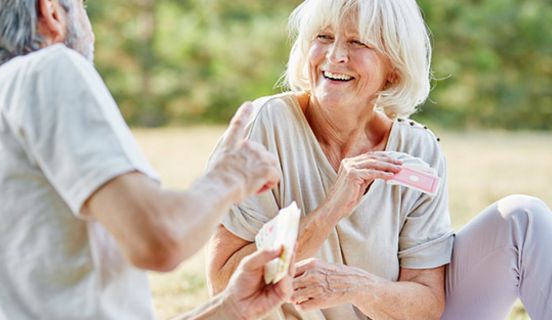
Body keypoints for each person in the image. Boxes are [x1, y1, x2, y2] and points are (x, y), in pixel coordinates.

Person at [206, 0, 552, 319]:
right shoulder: (266, 126)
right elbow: (223, 286)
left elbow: (427, 303)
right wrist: (329, 211)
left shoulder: (419, 149)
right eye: (324, 37)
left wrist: (355, 286)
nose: (334, 55)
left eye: (358, 43)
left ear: (394, 69)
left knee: (524, 216)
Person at [0, 0, 293, 319]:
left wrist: (227, 308)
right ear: (51, 12)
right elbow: (160, 240)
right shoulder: (49, 68)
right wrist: (231, 176)